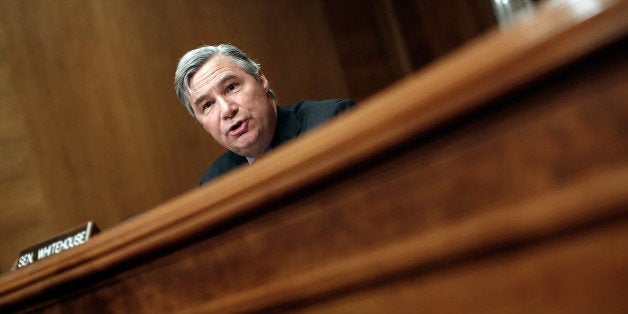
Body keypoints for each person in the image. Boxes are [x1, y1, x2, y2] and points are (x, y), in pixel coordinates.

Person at [174, 44, 355, 185]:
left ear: (261, 80)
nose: (227, 110)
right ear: (204, 125)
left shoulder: (331, 122)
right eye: (207, 105)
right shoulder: (214, 182)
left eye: (231, 87)